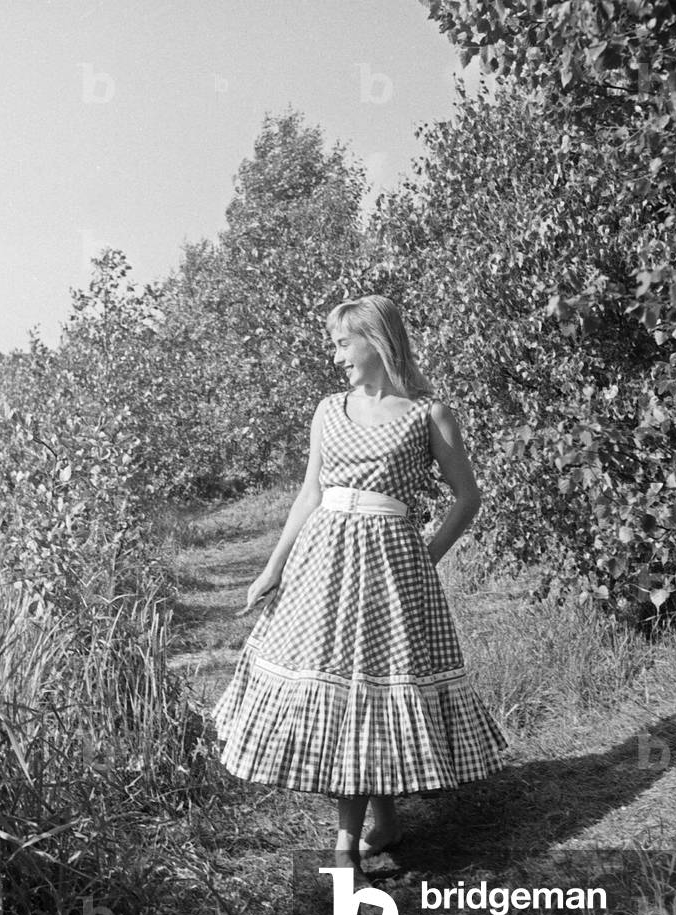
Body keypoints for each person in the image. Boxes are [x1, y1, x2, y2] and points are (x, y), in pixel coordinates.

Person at [211, 295, 507, 884]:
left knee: (365, 686)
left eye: (344, 342)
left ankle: (346, 842)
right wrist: (272, 568)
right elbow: (309, 493)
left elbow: (466, 498)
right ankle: (384, 822)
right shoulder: (329, 409)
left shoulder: (429, 413)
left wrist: (423, 555)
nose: (336, 353)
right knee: (345, 686)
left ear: (377, 340)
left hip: (391, 565)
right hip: (324, 561)